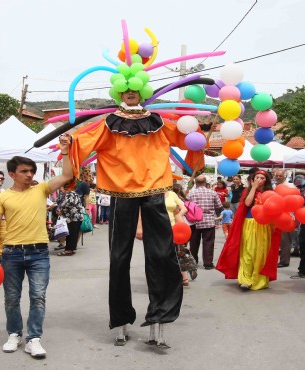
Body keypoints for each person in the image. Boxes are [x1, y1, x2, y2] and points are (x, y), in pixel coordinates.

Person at [64, 88, 205, 347]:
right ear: (120, 92)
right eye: (126, 90)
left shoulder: (159, 122)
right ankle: (120, 319)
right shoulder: (109, 123)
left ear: (141, 92)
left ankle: (160, 316)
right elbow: (84, 142)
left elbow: (186, 138)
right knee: (119, 258)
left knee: (162, 255)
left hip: (154, 190)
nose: (130, 94)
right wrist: (69, 143)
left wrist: (198, 132)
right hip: (121, 190)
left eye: (134, 90)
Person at [0, 145, 73, 359]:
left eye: (31, 171)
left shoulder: (41, 189)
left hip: (39, 253)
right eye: (24, 171)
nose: (29, 174)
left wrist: (65, 152)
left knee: (38, 297)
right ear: (12, 174)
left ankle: (33, 339)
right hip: (11, 253)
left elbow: (67, 175)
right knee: (11, 298)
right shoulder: (2, 197)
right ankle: (14, 334)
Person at [216, 170, 279, 290]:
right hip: (249, 223)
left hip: (264, 226)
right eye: (257, 177)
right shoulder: (248, 190)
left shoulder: (270, 192)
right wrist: (253, 188)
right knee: (248, 252)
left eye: (262, 178)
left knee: (261, 253)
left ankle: (258, 279)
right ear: (253, 179)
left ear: (267, 180)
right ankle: (245, 279)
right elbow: (247, 202)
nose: (259, 179)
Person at [188, 175, 223, 270]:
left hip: (194, 222)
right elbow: (219, 206)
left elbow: (187, 206)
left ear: (196, 183)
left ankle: (194, 262)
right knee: (208, 243)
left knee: (194, 243)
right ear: (205, 182)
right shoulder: (213, 193)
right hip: (209, 221)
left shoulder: (191, 193)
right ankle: (208, 264)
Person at [56, 187, 84, 256]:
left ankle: (68, 250)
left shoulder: (70, 194)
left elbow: (69, 204)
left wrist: (61, 211)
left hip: (73, 217)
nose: (60, 189)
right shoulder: (73, 193)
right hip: (75, 217)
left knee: (71, 234)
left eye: (61, 188)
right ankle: (72, 249)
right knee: (74, 234)